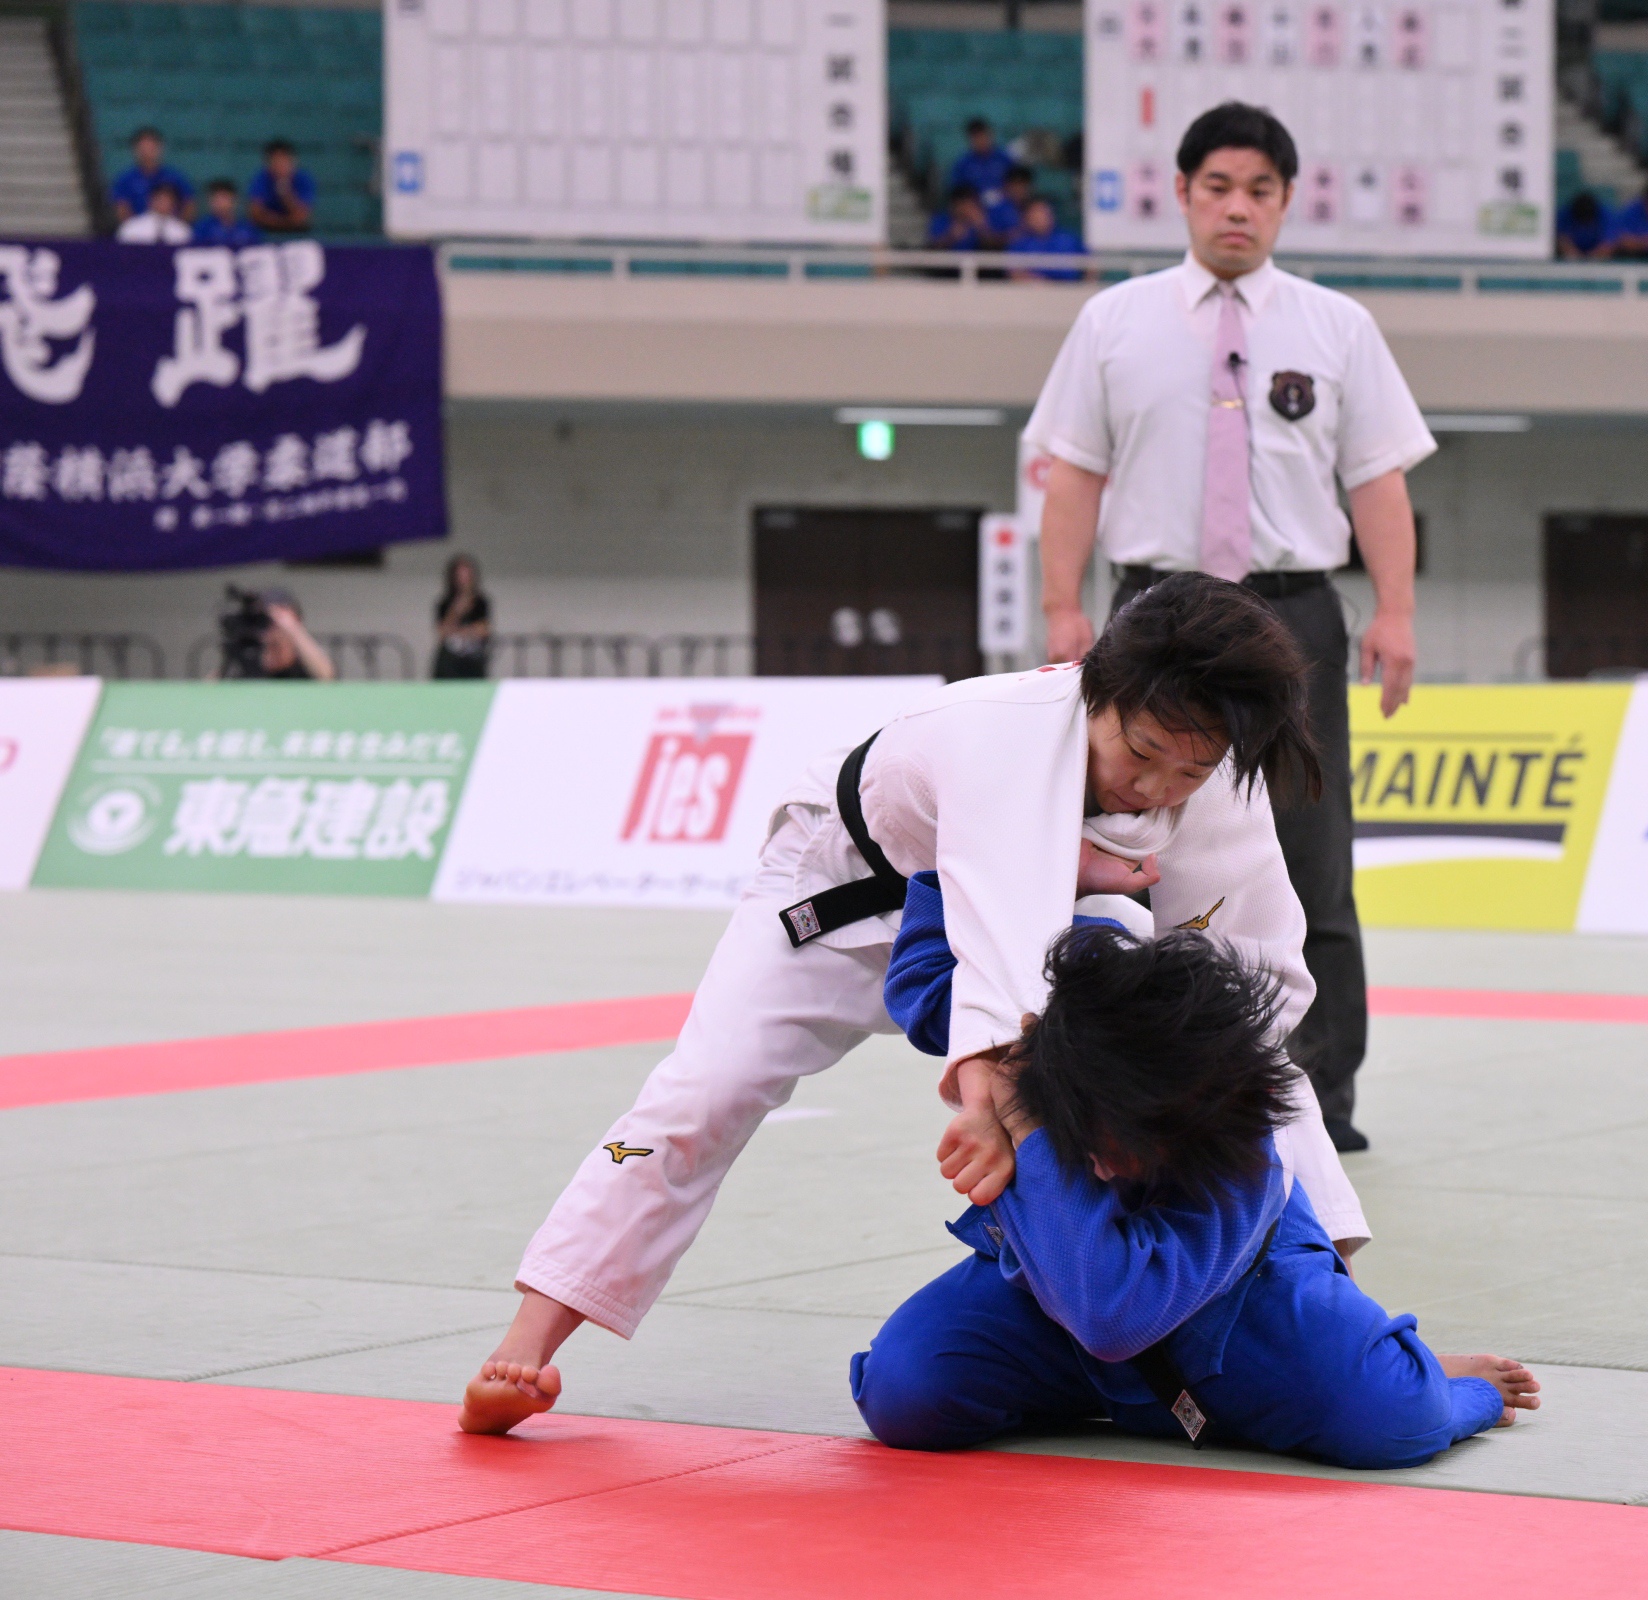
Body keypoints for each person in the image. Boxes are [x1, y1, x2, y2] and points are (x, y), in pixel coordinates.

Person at [458, 574, 1370, 1436]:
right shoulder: (1005, 738)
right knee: (706, 1091)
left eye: (1189, 772)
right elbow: (1002, 971)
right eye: (1140, 753)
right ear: (1096, 688)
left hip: (1049, 913)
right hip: (839, 905)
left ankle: (1345, 1319)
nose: (1157, 787)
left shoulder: (1216, 775)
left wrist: (1192, 1094)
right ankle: (529, 1342)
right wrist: (995, 1112)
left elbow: (1252, 977)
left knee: (1241, 1064)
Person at [1027, 102, 1434, 1155]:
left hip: (1293, 611)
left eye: (1259, 190)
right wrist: (1063, 606)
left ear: (1287, 201)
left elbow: (1378, 480)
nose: (1237, 208)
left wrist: (1395, 610)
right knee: (1128, 846)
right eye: (1218, 187)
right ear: (1183, 194)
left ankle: (1318, 1100)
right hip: (1152, 613)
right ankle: (1134, 1083)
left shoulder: (1337, 327)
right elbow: (1072, 474)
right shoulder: (1114, 322)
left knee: (1312, 856)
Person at [852, 886, 1538, 1467]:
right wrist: (990, 1073)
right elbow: (933, 938)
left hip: (1234, 1317)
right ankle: (1135, 1398)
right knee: (906, 1394)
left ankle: (1430, 1372)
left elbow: (1113, 1315)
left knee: (1395, 1420)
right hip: (1060, 1299)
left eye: (1124, 1148)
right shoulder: (1055, 1013)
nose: (1105, 1165)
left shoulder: (1239, 1150)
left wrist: (1018, 1116)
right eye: (1088, 1138)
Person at [220, 588, 334, 682]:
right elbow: (215, 686)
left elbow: (326, 677)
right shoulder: (250, 653)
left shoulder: (304, 660)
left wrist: (292, 628)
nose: (269, 624)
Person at [109, 127, 192, 225]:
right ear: (135, 150)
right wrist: (134, 228)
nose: (147, 151)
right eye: (143, 147)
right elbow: (121, 208)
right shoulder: (125, 179)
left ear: (160, 148)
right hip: (136, 230)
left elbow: (189, 204)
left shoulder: (174, 177)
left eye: (151, 147)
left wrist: (177, 227)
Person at [433, 554, 493, 681]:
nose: (463, 579)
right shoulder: (444, 603)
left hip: (473, 659)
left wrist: (461, 631)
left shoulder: (481, 602)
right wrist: (457, 610)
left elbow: (483, 630)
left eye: (467, 575)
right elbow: (442, 632)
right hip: (449, 660)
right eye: (460, 575)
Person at [1007, 197, 1086, 281]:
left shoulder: (1069, 239)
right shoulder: (1019, 243)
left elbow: (1091, 264)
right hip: (1034, 288)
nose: (1039, 218)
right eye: (1035, 214)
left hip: (1070, 287)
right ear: (1027, 217)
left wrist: (1085, 286)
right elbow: (1014, 272)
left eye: (1043, 213)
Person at [247, 139, 316, 235]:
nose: (280, 165)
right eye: (276, 161)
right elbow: (255, 214)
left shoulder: (304, 179)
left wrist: (286, 193)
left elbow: (301, 217)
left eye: (284, 160)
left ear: (293, 161)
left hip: (298, 234)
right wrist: (283, 222)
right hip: (266, 233)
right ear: (268, 163)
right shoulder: (260, 179)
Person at [949, 117, 1014, 210]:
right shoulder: (962, 165)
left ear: (990, 135)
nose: (980, 141)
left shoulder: (1004, 159)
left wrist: (1001, 194)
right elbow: (957, 194)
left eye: (983, 136)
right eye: (976, 137)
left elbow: (1016, 185)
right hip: (975, 208)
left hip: (1005, 206)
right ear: (970, 139)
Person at [115, 183, 192, 244]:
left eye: (167, 200)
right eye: (160, 199)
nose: (163, 203)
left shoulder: (182, 230)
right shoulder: (131, 226)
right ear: (150, 200)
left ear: (174, 203)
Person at [191, 178, 260, 246]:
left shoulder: (246, 227)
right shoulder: (202, 229)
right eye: (215, 199)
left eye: (223, 198)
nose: (219, 203)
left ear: (234, 199)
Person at [927, 182, 990, 251]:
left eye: (969, 205)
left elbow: (995, 247)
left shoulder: (983, 218)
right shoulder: (940, 220)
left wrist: (982, 229)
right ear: (953, 205)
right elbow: (931, 249)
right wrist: (951, 236)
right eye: (962, 205)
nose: (965, 209)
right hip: (949, 257)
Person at [982, 165, 1037, 242]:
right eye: (1015, 185)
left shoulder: (1038, 208)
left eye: (1023, 185)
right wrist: (1009, 237)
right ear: (1006, 186)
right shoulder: (997, 210)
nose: (1019, 189)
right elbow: (988, 239)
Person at [1555, 190, 1611, 260]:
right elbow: (1561, 238)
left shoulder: (1605, 215)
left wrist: (1593, 257)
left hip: (1596, 257)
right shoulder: (1564, 215)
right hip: (1571, 257)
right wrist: (1573, 254)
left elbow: (1609, 243)